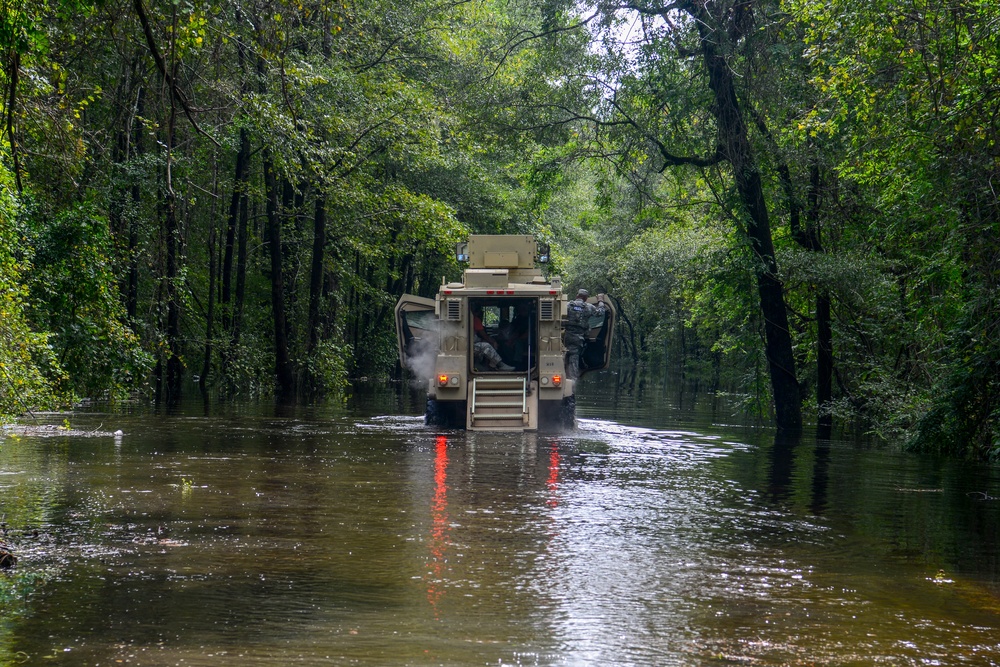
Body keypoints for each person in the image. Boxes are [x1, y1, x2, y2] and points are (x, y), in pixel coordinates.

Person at [563, 289, 607, 380]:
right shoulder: (589, 307)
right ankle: (572, 381)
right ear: (586, 298)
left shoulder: (567, 305)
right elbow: (600, 312)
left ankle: (561, 374)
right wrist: (601, 301)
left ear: (577, 296)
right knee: (574, 358)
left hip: (567, 336)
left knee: (564, 354)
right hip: (578, 337)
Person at [472, 305, 515, 372]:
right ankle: (500, 365)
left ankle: (489, 365)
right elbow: (484, 335)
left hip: (471, 344)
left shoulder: (472, 319)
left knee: (486, 345)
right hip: (471, 346)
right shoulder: (475, 319)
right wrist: (493, 341)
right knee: (487, 346)